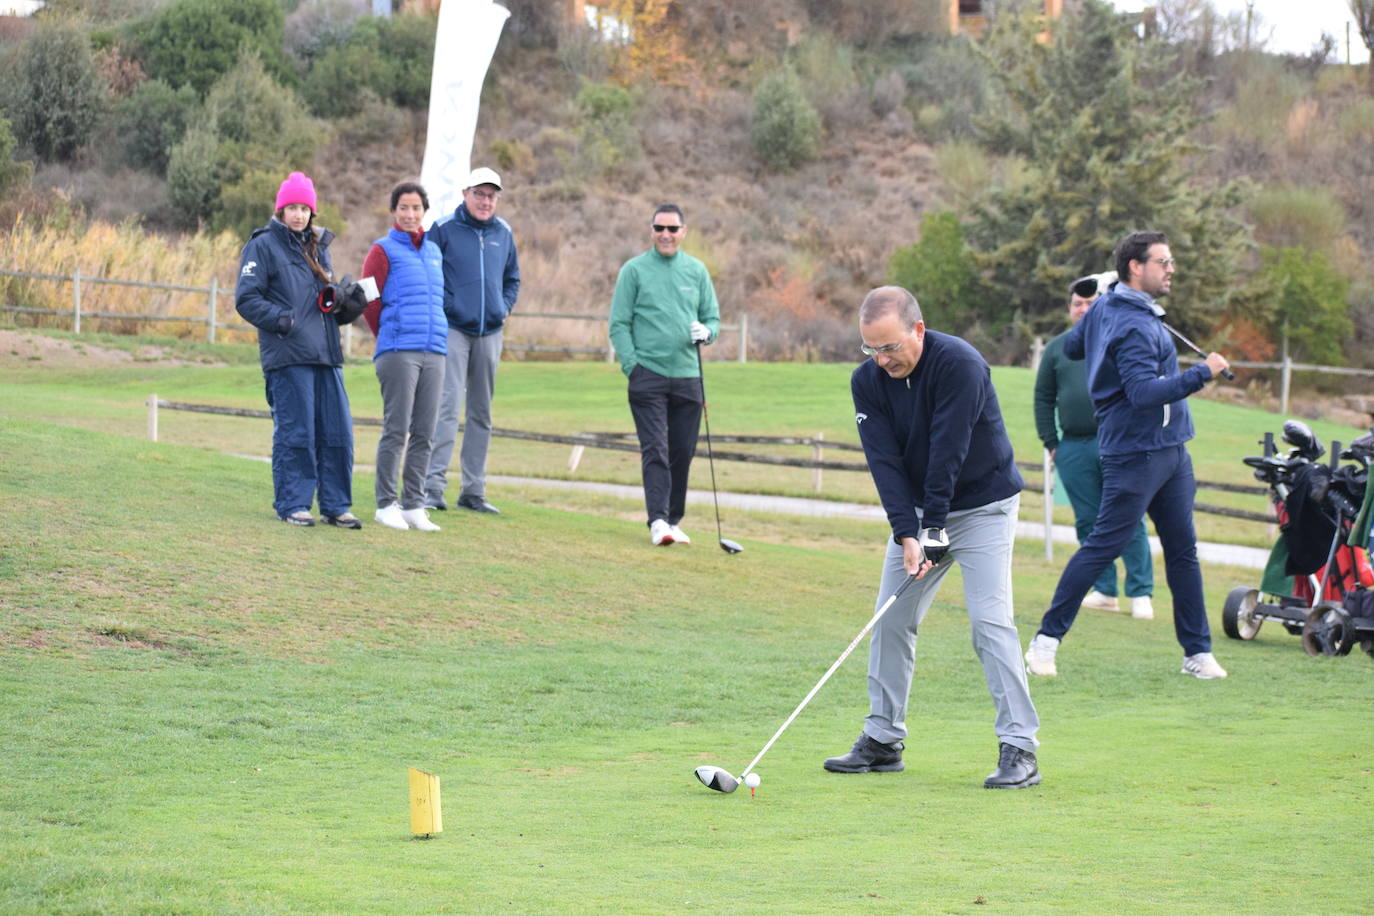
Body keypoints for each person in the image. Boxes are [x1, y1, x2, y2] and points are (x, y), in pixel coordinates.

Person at [824, 286, 1041, 789]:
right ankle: (882, 740)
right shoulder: (868, 382)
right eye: (871, 349)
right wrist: (909, 532)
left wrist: (935, 527)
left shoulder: (960, 364)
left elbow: (950, 449)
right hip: (923, 513)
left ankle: (1020, 746)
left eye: (891, 347)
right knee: (892, 618)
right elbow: (885, 463)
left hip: (985, 506)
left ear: (917, 330)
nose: (882, 360)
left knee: (989, 621)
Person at [1025, 231, 1231, 680]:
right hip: (1137, 452)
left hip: (1171, 449)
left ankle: (1197, 652)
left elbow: (1077, 346)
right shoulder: (1134, 324)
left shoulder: (1112, 308)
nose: (1171, 268)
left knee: (1183, 551)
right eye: (1163, 261)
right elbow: (1142, 393)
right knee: (1103, 546)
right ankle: (1044, 641)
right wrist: (1203, 373)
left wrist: (1102, 311)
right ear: (1136, 267)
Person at [234, 171, 360, 529]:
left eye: (304, 208)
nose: (299, 214)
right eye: (292, 207)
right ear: (280, 210)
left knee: (337, 434)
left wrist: (349, 305)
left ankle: (336, 505)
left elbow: (325, 310)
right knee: (297, 433)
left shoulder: (319, 248)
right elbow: (246, 299)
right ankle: (294, 503)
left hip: (326, 356)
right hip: (288, 356)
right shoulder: (262, 246)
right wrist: (284, 321)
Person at [1034, 272, 1155, 619]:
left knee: (1129, 517)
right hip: (1073, 446)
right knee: (1089, 521)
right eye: (1077, 303)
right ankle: (1104, 590)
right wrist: (1051, 442)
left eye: (1090, 302)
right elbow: (1043, 397)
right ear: (1070, 308)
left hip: (1118, 443)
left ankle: (1140, 593)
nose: (1084, 308)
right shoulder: (1058, 348)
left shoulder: (1120, 338)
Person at [608, 203, 721, 546]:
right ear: (652, 230)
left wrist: (707, 332)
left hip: (688, 375)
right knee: (655, 448)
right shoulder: (635, 270)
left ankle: (673, 519)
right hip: (648, 376)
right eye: (660, 228)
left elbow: (713, 319)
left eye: (673, 229)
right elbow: (619, 324)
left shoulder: (697, 271)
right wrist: (632, 367)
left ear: (684, 232)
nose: (666, 235)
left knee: (682, 451)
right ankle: (657, 520)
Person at [423, 167, 520, 515]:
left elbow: (513, 279)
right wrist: (448, 307)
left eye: (492, 195)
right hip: (453, 330)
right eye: (479, 193)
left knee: (482, 413)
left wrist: (503, 307)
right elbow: (430, 275)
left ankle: (473, 490)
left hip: (490, 332)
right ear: (465, 193)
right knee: (446, 407)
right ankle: (432, 487)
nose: (485, 200)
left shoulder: (503, 233)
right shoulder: (444, 229)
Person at [360, 181, 448, 532]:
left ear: (424, 211)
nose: (410, 214)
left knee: (426, 431)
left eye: (416, 208)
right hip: (398, 351)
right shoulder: (381, 250)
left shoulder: (434, 251)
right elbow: (369, 300)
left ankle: (414, 503)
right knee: (397, 429)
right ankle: (386, 503)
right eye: (404, 208)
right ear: (394, 211)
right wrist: (389, 335)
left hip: (435, 350)